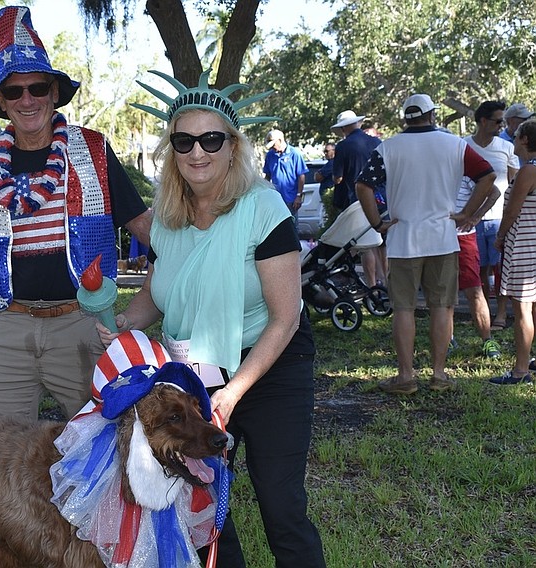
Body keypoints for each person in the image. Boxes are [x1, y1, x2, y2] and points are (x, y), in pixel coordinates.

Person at [101, 69, 326, 567]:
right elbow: (163, 294)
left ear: (233, 146)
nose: (197, 152)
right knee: (198, 506)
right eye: (184, 141)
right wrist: (122, 327)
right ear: (172, 150)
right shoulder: (168, 215)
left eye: (210, 139)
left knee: (280, 504)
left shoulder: (262, 207)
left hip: (269, 367)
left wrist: (234, 390)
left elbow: (285, 318)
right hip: (194, 377)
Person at [0, 5, 151, 426]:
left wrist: (198, 250)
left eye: (37, 88)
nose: (28, 100)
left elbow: (142, 226)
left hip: (82, 321)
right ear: (1, 102)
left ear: (54, 93)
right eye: (15, 91)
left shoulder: (91, 150)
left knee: (108, 436)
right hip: (6, 320)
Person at [356, 94, 496, 395]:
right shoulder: (455, 144)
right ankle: (439, 374)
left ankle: (405, 376)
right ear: (432, 115)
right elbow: (487, 177)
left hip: (403, 239)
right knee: (442, 307)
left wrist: (377, 223)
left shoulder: (388, 147)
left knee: (404, 308)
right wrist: (466, 213)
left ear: (406, 117)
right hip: (443, 238)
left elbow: (363, 185)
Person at [464, 101, 519, 332]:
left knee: (501, 268)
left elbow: (515, 183)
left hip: (499, 217)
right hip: (471, 220)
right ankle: (483, 311)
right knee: (480, 270)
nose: (502, 126)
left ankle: (501, 313)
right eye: (498, 121)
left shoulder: (506, 147)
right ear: (483, 121)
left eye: (503, 121)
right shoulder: (462, 145)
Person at [490, 119, 536, 384]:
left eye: (517, 135)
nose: (514, 139)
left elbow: (512, 210)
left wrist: (500, 237)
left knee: (522, 309)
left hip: (524, 245)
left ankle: (520, 370)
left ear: (525, 140)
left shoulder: (529, 171)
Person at [331, 109, 385, 286]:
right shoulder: (376, 141)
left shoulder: (343, 146)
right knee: (381, 243)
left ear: (344, 128)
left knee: (366, 246)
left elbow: (338, 178)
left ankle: (371, 284)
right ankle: (386, 281)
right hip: (381, 198)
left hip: (358, 200)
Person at [452, 176, 501, 359]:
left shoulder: (466, 167)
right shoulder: (430, 163)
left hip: (464, 236)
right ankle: (447, 338)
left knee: (474, 290)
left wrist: (476, 216)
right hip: (436, 236)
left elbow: (494, 191)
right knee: (444, 292)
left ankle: (487, 339)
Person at [263, 128, 308, 222]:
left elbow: (301, 176)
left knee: (292, 227)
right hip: (276, 199)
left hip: (291, 199)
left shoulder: (295, 154)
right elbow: (267, 176)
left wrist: (298, 196)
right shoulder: (270, 155)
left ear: (280, 140)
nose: (272, 148)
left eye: (273, 144)